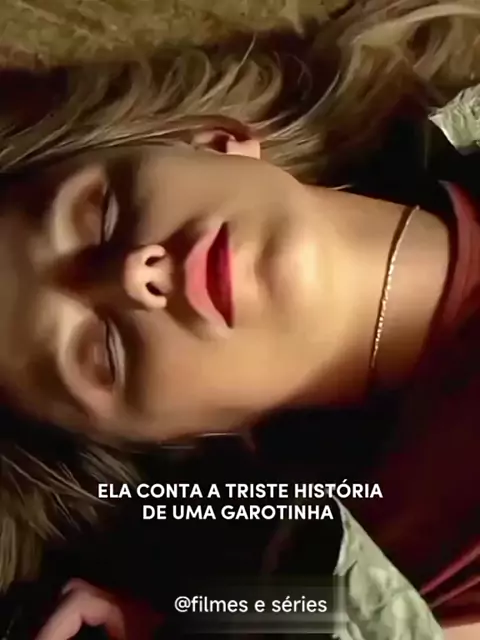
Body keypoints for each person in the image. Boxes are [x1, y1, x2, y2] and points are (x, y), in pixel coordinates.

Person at [0, 0, 480, 635]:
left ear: (209, 141)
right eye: (102, 352)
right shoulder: (408, 573)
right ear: (180, 436)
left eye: (101, 219)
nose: (135, 276)